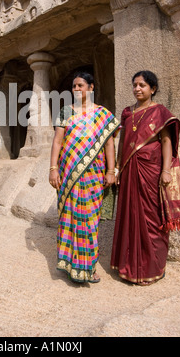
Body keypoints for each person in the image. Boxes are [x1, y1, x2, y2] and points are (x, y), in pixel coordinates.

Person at [111, 70, 180, 285]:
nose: (137, 89)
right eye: (135, 85)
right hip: (129, 172)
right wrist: (117, 168)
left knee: (153, 219)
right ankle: (129, 266)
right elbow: (123, 142)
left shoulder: (160, 112)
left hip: (152, 171)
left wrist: (166, 170)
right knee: (129, 216)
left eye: (142, 85)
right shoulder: (127, 113)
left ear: (152, 89)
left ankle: (152, 267)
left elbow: (166, 142)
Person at [49, 71, 120, 283]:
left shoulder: (103, 115)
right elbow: (57, 142)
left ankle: (88, 267)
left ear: (91, 88)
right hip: (69, 174)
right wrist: (53, 168)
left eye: (81, 85)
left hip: (94, 175)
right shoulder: (64, 112)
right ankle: (70, 265)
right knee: (69, 218)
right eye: (74, 86)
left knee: (89, 220)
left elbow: (109, 144)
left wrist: (111, 170)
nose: (77, 89)